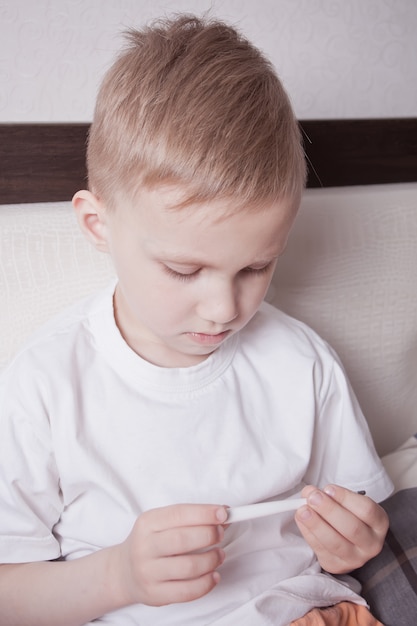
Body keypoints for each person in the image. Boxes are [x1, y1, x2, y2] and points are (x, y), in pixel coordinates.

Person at [0, 14, 392, 626]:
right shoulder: (46, 384)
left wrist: (357, 541)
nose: (225, 309)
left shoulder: (300, 361)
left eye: (256, 267)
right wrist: (117, 575)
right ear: (98, 226)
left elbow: (359, 511)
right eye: (185, 271)